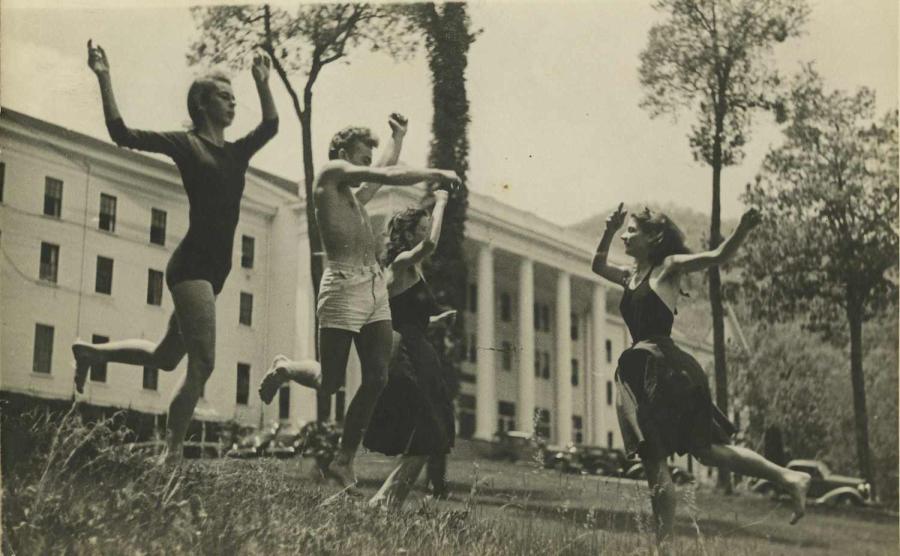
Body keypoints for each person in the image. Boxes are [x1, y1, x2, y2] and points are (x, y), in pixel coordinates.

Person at [72, 40, 278, 464]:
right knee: (204, 363)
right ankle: (173, 455)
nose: (233, 103)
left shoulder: (237, 152)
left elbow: (271, 124)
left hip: (214, 272)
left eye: (234, 97)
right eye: (224, 96)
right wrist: (104, 76)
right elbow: (122, 134)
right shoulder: (187, 145)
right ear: (202, 104)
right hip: (192, 266)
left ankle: (91, 352)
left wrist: (263, 83)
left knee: (166, 358)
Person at [257, 115, 459, 489]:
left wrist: (398, 139)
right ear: (342, 153)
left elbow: (381, 168)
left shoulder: (352, 197)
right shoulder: (329, 176)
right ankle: (285, 368)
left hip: (372, 288)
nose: (367, 165)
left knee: (377, 376)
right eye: (361, 158)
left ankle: (343, 459)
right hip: (343, 286)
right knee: (330, 381)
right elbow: (384, 175)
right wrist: (435, 174)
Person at [591, 203, 811, 546]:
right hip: (644, 369)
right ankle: (789, 477)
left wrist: (742, 229)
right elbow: (597, 265)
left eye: (632, 231)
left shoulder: (668, 267)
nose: (625, 236)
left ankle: (663, 549)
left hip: (662, 369)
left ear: (654, 237)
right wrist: (607, 230)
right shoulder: (628, 275)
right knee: (705, 451)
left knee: (655, 459)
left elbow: (718, 256)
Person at [363, 191, 457, 508]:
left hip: (421, 354)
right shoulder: (400, 263)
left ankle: (385, 503)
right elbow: (430, 246)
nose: (426, 234)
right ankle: (384, 503)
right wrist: (441, 203)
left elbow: (409, 316)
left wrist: (437, 320)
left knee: (431, 436)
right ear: (407, 234)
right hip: (405, 356)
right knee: (428, 432)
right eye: (422, 228)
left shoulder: (413, 272)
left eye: (428, 228)